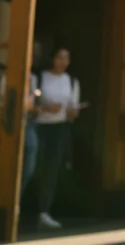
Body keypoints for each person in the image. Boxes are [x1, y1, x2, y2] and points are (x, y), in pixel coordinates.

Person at [33, 47, 83, 230]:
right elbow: (32, 102)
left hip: (60, 127)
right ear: (52, 58)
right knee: (33, 165)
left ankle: (44, 211)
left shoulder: (71, 81)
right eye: (60, 57)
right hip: (39, 126)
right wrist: (45, 107)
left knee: (51, 169)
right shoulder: (40, 77)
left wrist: (72, 112)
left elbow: (73, 110)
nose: (63, 62)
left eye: (67, 58)